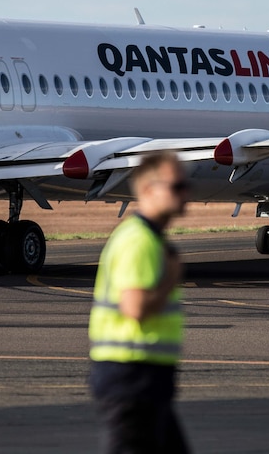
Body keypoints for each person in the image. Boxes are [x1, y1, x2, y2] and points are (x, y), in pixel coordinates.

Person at [88, 151, 191, 454]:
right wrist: (172, 277)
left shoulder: (150, 238)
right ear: (148, 190)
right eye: (176, 186)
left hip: (144, 376)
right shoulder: (139, 242)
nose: (185, 194)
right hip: (131, 376)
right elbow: (136, 309)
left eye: (186, 185)